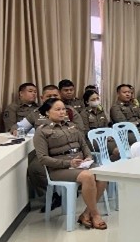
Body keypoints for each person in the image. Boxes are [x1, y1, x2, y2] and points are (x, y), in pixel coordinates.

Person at [33, 98, 108, 229]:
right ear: (47, 112)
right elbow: (43, 158)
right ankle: (96, 215)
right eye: (58, 109)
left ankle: (86, 213)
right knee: (88, 176)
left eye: (63, 109)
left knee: (103, 174)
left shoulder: (72, 126)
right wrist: (68, 163)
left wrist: (88, 157)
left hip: (80, 164)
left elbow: (84, 145)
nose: (62, 112)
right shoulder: (42, 131)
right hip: (59, 169)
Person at [81, 89, 120, 162]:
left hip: (105, 138)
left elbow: (106, 125)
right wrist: (103, 136)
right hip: (92, 140)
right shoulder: (84, 114)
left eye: (97, 98)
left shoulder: (101, 111)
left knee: (123, 146)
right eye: (93, 99)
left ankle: (110, 161)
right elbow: (86, 132)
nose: (96, 101)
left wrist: (109, 135)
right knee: (117, 150)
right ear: (87, 102)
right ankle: (107, 164)